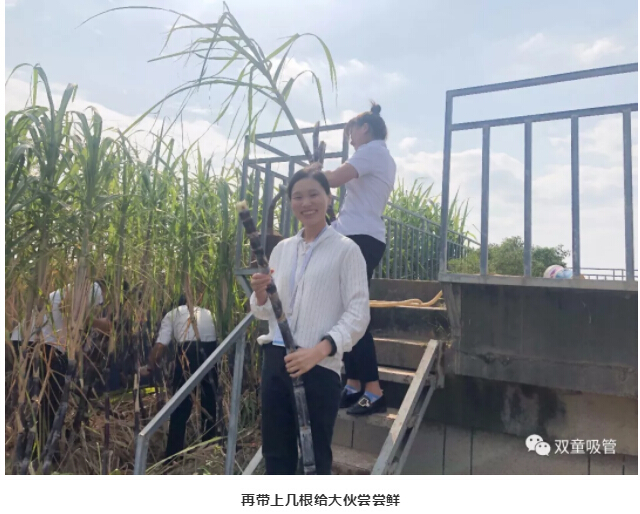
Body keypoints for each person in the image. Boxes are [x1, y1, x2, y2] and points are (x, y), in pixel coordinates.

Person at [249, 168, 370, 475]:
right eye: (298, 197)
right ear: (291, 203)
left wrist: (319, 351)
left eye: (314, 194)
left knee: (314, 459)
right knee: (276, 454)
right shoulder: (282, 250)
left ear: (329, 198)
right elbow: (265, 312)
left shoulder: (346, 250)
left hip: (319, 365)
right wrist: (260, 294)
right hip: (276, 359)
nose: (306, 203)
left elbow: (358, 313)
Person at [323, 102, 396, 416]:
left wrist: (312, 173)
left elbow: (333, 178)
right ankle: (353, 382)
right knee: (345, 310)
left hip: (360, 239)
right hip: (357, 236)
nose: (350, 138)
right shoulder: (378, 155)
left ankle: (374, 391)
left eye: (351, 131)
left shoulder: (372, 152)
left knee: (353, 311)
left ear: (365, 128)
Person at [147, 294, 218, 459]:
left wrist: (150, 366)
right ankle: (209, 448)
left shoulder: (172, 314)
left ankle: (173, 454)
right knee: (209, 400)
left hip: (188, 351)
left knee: (180, 404)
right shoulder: (209, 313)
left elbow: (161, 345)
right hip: (211, 351)